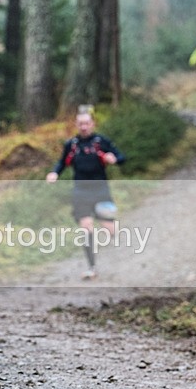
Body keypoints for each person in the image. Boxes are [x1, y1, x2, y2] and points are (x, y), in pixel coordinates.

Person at [46, 107, 125, 280]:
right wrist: (54, 173)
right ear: (76, 124)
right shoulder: (72, 145)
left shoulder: (101, 142)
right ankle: (92, 267)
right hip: (80, 191)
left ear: (92, 124)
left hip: (101, 190)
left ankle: (116, 237)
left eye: (87, 123)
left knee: (109, 229)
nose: (83, 127)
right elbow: (61, 162)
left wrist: (114, 159)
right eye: (80, 124)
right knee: (86, 227)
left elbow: (121, 157)